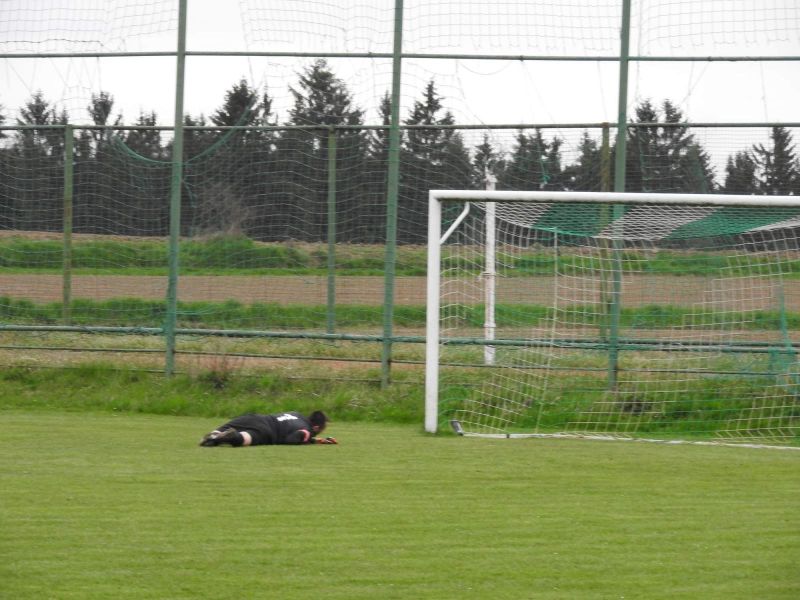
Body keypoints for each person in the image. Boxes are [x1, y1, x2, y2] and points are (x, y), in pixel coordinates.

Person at [199, 410, 336, 447]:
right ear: (316, 427)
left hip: (257, 418)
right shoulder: (306, 431)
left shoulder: (296, 414)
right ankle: (232, 437)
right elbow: (290, 440)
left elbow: (292, 427)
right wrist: (306, 440)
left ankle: (214, 437)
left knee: (223, 429)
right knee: (244, 438)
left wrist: (317, 440)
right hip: (266, 432)